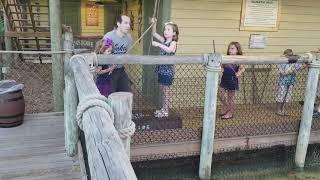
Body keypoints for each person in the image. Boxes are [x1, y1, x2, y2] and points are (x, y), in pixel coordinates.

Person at [151, 18, 179, 118]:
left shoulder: (173, 43)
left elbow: (169, 50)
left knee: (166, 92)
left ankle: (166, 111)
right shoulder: (164, 41)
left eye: (168, 30)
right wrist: (154, 24)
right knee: (163, 90)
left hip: (168, 72)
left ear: (174, 33)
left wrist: (158, 44)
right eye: (165, 29)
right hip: (161, 70)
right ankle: (164, 108)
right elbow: (154, 33)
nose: (165, 31)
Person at [103, 15, 132, 93]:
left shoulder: (129, 38)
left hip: (121, 70)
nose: (128, 26)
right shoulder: (109, 36)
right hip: (108, 70)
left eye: (129, 23)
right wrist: (111, 65)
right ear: (118, 24)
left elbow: (127, 53)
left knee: (128, 93)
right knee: (110, 95)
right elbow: (106, 52)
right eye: (125, 23)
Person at [218, 42, 245, 119]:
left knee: (230, 98)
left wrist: (239, 72)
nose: (230, 50)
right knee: (220, 93)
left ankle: (230, 113)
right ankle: (227, 107)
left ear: (237, 50)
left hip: (232, 79)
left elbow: (243, 68)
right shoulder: (226, 58)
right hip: (224, 79)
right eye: (229, 48)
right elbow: (221, 66)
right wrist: (221, 68)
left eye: (232, 48)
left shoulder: (239, 59)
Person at [275, 49, 307, 116]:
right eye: (288, 56)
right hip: (283, 81)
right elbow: (281, 74)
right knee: (281, 95)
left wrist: (306, 63)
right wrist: (290, 71)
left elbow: (300, 67)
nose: (290, 57)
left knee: (287, 96)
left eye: (291, 55)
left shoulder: (294, 63)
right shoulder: (283, 63)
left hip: (291, 81)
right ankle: (278, 110)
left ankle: (283, 109)